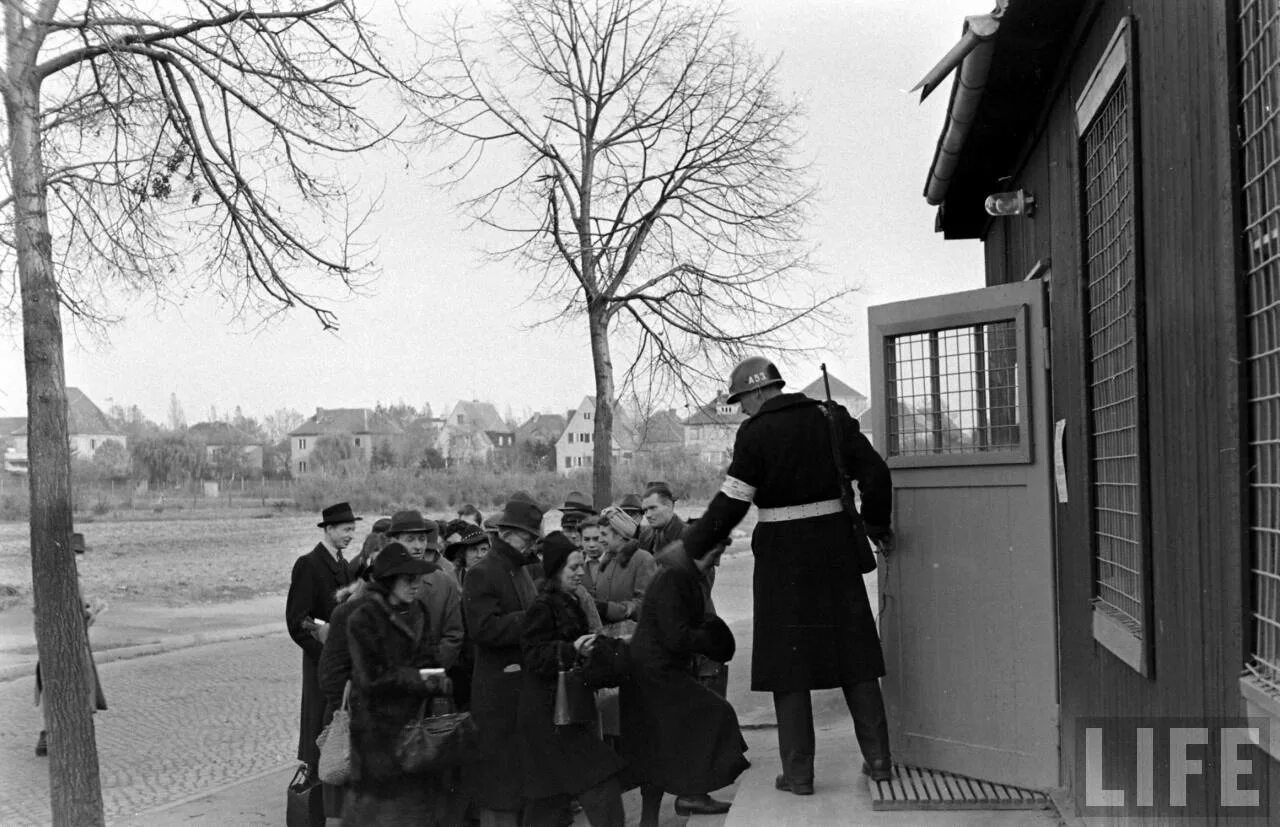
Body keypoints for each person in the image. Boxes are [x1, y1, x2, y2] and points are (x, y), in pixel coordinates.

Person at [683, 356, 896, 794]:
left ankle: (799, 775)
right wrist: (876, 523)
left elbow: (733, 501)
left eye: (742, 400)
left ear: (759, 392)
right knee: (855, 659)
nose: (741, 409)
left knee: (789, 666)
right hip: (836, 551)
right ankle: (879, 761)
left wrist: (691, 546)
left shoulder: (755, 434)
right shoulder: (831, 417)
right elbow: (875, 474)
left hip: (782, 560)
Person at [622, 538, 747, 824]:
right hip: (656, 671)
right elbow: (675, 635)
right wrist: (708, 640)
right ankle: (693, 794)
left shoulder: (676, 575)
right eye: (713, 555)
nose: (715, 562)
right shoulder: (675, 579)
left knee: (656, 742)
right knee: (715, 713)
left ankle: (653, 817)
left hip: (649, 670)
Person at [343, 541, 457, 824]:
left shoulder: (419, 612)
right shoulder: (363, 618)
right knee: (380, 813)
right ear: (389, 581)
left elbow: (431, 658)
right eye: (409, 579)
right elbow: (373, 678)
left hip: (414, 731)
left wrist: (437, 678)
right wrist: (422, 680)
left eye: (418, 579)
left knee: (415, 810)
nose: (416, 585)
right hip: (378, 737)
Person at [518, 532, 625, 826]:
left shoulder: (570, 600)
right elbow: (533, 656)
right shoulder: (543, 607)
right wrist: (571, 649)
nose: (580, 572)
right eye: (573, 568)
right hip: (551, 717)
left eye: (581, 566)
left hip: (562, 714)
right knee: (599, 781)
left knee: (549, 798)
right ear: (555, 570)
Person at [462, 496, 545, 827]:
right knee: (499, 792)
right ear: (507, 534)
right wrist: (534, 619)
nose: (530, 547)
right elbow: (483, 629)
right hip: (497, 700)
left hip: (522, 697)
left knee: (518, 788)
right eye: (527, 539)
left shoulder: (521, 570)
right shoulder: (482, 573)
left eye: (533, 540)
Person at [286, 500, 359, 809]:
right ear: (328, 530)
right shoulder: (309, 564)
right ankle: (316, 808)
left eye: (353, 529)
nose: (350, 535)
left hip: (339, 665)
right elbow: (296, 622)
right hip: (320, 663)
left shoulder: (342, 565)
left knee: (333, 734)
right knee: (319, 732)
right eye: (345, 529)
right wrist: (324, 651)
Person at [34, 531, 106, 757]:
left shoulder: (45, 575)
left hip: (46, 639)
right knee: (80, 684)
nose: (79, 558)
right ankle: (66, 734)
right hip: (70, 642)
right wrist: (93, 611)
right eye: (77, 554)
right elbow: (78, 616)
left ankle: (48, 733)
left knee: (50, 683)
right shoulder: (74, 579)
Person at [386, 510, 464, 672]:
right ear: (393, 542)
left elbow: (453, 635)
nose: (418, 546)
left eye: (422, 539)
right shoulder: (374, 583)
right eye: (410, 540)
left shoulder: (444, 583)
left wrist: (429, 668)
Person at [442, 521, 491, 711]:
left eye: (484, 549)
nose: (479, 555)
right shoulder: (451, 581)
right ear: (464, 554)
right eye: (474, 550)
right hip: (461, 662)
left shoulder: (494, 579)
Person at [594, 506, 657, 634]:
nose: (600, 539)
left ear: (619, 535)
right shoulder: (605, 562)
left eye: (604, 534)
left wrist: (611, 609)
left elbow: (645, 604)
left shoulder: (643, 559)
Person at [638, 481, 684, 554]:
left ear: (670, 506)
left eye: (653, 508)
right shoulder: (644, 535)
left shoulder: (688, 535)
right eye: (645, 510)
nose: (647, 515)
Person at [578, 516, 606, 596]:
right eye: (586, 539)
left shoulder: (616, 562)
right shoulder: (575, 563)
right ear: (581, 540)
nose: (591, 545)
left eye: (596, 539)